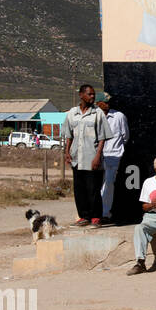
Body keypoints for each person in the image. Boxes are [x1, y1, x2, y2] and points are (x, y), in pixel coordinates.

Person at [60, 84, 110, 228]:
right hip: (77, 157)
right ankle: (84, 216)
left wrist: (97, 156)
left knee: (93, 188)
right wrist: (67, 152)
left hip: (92, 157)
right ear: (81, 95)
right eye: (89, 94)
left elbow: (102, 137)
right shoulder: (72, 113)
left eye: (93, 94)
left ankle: (95, 217)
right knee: (79, 189)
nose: (92, 97)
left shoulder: (97, 113)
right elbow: (69, 135)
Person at [96, 94, 129, 225]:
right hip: (96, 156)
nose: (107, 104)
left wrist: (117, 149)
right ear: (98, 103)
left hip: (113, 155)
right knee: (97, 185)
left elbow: (125, 136)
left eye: (108, 102)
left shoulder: (118, 116)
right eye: (104, 102)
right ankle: (95, 213)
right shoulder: (94, 117)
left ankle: (105, 213)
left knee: (109, 184)